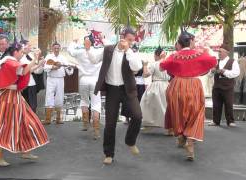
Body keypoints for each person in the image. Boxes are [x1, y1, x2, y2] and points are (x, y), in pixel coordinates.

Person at [0, 39, 49, 167]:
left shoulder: (13, 62)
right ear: (15, 52)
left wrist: (37, 62)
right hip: (9, 98)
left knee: (25, 122)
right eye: (21, 52)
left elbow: (24, 71)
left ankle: (25, 150)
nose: (22, 54)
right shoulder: (10, 62)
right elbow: (23, 71)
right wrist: (35, 60)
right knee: (8, 125)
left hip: (14, 97)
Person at [86, 27, 143, 165]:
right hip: (112, 90)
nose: (130, 43)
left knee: (137, 116)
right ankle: (108, 154)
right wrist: (87, 49)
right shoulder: (108, 49)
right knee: (110, 124)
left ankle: (130, 141)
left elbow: (136, 67)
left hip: (127, 89)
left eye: (132, 41)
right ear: (122, 37)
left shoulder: (132, 52)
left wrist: (128, 50)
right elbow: (94, 60)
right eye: (129, 40)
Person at [160, 29, 216, 161]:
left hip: (177, 85)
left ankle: (180, 136)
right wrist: (207, 52)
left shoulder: (175, 55)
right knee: (196, 114)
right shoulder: (199, 53)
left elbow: (162, 67)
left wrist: (164, 58)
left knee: (178, 112)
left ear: (179, 43)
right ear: (190, 41)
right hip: (193, 85)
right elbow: (213, 62)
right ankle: (190, 144)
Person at [67, 37, 102, 139]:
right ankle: (96, 130)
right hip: (95, 80)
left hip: (83, 79)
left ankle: (85, 124)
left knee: (84, 101)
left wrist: (73, 42)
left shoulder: (80, 52)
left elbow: (70, 51)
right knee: (96, 104)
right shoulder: (98, 51)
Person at [140, 46, 171, 134]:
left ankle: (149, 124)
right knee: (166, 106)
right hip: (167, 85)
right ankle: (170, 127)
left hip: (156, 86)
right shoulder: (168, 63)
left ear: (156, 55)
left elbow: (146, 74)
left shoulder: (155, 64)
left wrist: (145, 65)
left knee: (148, 105)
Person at [43, 42, 74, 125]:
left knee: (59, 97)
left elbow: (69, 71)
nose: (56, 49)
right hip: (51, 79)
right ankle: (48, 118)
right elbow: (45, 68)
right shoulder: (49, 56)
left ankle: (58, 118)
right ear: (52, 48)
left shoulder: (63, 58)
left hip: (60, 79)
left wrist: (70, 67)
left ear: (60, 49)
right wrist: (53, 67)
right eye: (55, 48)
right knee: (49, 96)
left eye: (58, 48)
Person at [209, 44, 240, 127]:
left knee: (228, 104)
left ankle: (230, 121)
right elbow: (210, 75)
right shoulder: (216, 61)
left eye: (220, 52)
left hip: (228, 87)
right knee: (216, 104)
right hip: (216, 87)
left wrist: (224, 72)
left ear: (226, 52)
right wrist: (211, 71)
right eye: (219, 52)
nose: (219, 53)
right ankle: (215, 121)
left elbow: (236, 73)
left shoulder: (233, 61)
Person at [19, 35, 45, 112]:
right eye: (29, 45)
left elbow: (37, 71)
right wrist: (39, 63)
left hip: (32, 83)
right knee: (27, 107)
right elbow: (27, 71)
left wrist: (40, 63)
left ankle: (32, 123)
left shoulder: (29, 56)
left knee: (33, 106)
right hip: (25, 85)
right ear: (23, 47)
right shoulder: (21, 58)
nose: (30, 48)